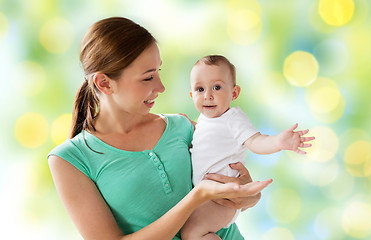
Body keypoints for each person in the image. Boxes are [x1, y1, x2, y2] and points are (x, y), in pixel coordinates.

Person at [47, 17, 272, 240]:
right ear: (104, 83)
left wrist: (250, 196)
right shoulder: (70, 160)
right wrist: (196, 197)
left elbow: (235, 188)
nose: (160, 87)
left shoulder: (181, 126)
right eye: (148, 78)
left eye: (158, 72)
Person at [181, 55, 315, 240]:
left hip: (222, 199)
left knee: (192, 233)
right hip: (208, 197)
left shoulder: (233, 119)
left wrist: (278, 141)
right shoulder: (203, 121)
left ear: (234, 93)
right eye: (200, 89)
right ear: (191, 95)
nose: (208, 95)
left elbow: (256, 141)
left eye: (217, 87)